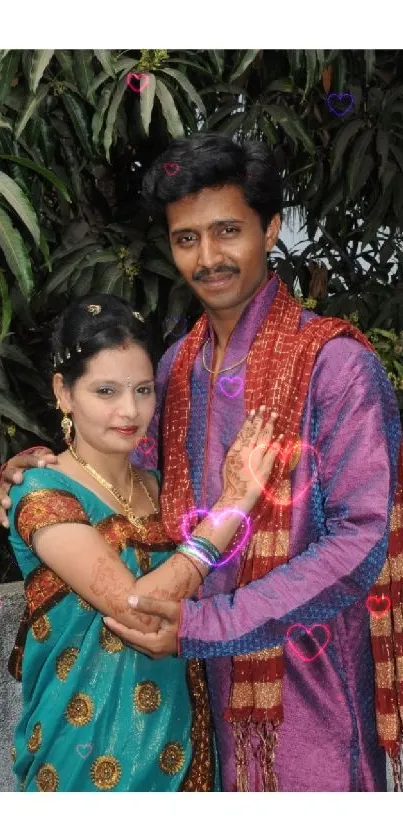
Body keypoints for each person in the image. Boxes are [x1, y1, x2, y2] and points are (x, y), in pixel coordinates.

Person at [1, 133, 403, 792]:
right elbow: (126, 485)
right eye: (186, 238)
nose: (207, 257)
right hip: (189, 713)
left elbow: (357, 543)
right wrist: (40, 465)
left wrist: (208, 625)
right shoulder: (175, 370)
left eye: (226, 231)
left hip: (310, 700)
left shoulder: (336, 366)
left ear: (270, 228)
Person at [1, 292, 282, 792]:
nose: (129, 410)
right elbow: (137, 610)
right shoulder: (39, 490)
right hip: (81, 754)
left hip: (186, 740)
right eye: (105, 391)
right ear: (63, 393)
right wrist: (231, 506)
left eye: (143, 389)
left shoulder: (162, 485)